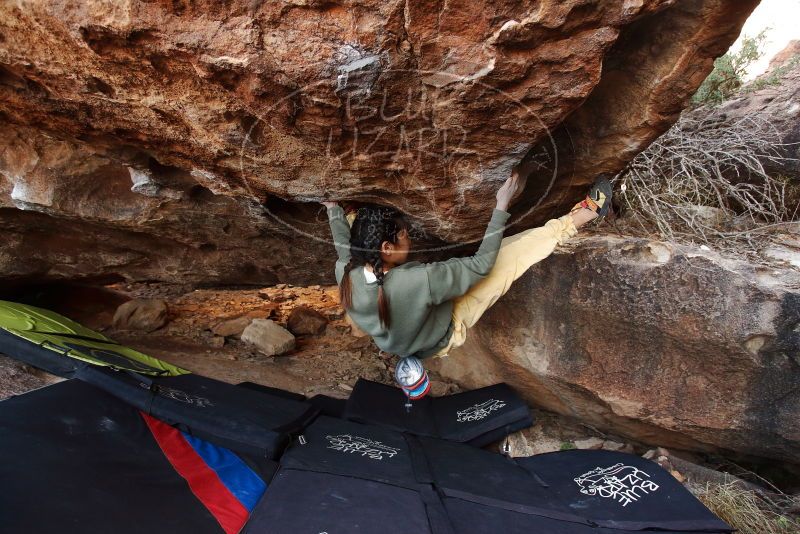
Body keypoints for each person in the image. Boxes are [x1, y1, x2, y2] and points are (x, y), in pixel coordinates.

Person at [322, 171, 612, 400]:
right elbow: (480, 266)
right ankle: (581, 216)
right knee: (506, 260)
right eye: (403, 235)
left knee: (497, 253)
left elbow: (342, 247)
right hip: (446, 330)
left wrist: (335, 210)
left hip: (404, 338)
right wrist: (502, 204)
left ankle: (351, 214)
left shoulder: (346, 273)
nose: (409, 238)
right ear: (386, 247)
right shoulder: (417, 280)